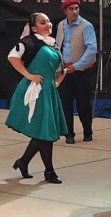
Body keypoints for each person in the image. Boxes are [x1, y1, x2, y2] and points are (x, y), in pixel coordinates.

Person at [5, 12, 68, 184]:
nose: (48, 24)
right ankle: (49, 171)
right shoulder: (29, 42)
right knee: (44, 132)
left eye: (48, 21)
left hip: (48, 90)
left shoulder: (52, 44)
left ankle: (23, 162)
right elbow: (12, 57)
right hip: (35, 90)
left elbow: (59, 69)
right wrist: (29, 75)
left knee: (43, 131)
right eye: (42, 22)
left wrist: (58, 80)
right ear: (34, 28)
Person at [55, 0, 98, 144]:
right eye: (71, 9)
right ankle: (69, 133)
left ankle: (87, 131)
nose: (75, 12)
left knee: (83, 103)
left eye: (77, 8)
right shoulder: (61, 25)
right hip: (65, 69)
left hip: (82, 70)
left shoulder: (86, 26)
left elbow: (92, 49)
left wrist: (77, 65)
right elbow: (58, 45)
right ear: (65, 11)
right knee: (65, 102)